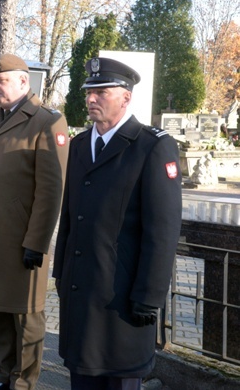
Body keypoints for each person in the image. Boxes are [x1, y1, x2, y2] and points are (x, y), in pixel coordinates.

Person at [52, 57, 182, 390]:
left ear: (126, 97)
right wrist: (60, 273)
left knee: (119, 381)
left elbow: (162, 231)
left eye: (101, 92)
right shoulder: (81, 145)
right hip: (82, 292)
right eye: (88, 92)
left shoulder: (151, 147)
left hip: (123, 298)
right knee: (81, 378)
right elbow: (70, 215)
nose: (91, 99)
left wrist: (149, 296)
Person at [0, 53, 69, 390]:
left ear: (23, 82)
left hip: (22, 238)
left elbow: (51, 191)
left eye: (1, 81)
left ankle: (23, 381)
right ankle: (2, 371)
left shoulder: (48, 121)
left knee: (26, 314)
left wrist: (36, 242)